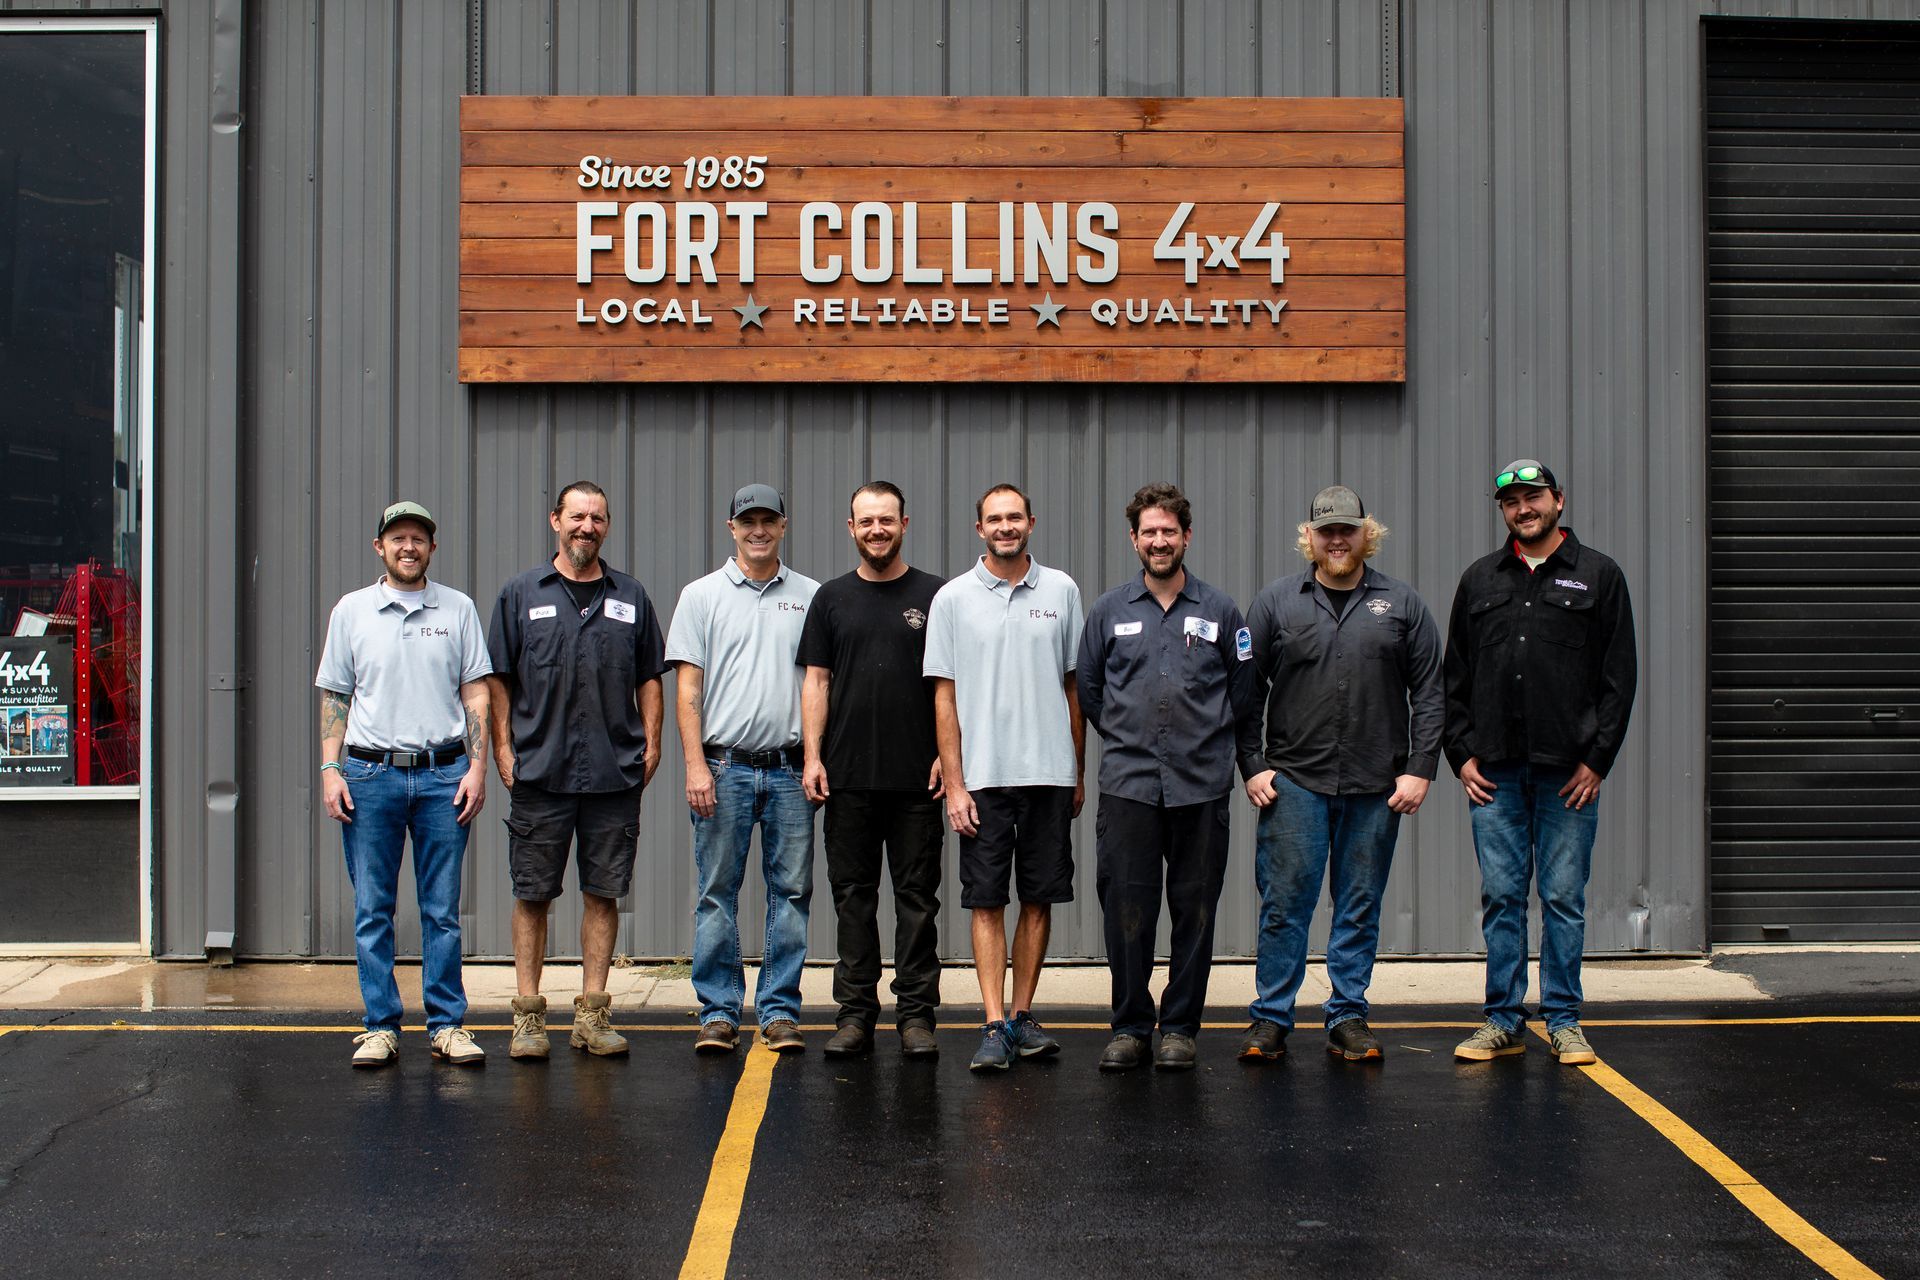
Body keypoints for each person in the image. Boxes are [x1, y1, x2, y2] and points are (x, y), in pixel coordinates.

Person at [1239, 485, 1444, 1064]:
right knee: (1284, 906)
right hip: (1295, 783)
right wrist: (1253, 765)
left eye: (1347, 530)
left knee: (1359, 903)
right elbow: (1245, 694)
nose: (1336, 540)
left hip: (1377, 786)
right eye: (1325, 530)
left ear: (1366, 535)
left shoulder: (1402, 605)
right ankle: (1271, 1019)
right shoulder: (1277, 604)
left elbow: (1430, 692)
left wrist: (1420, 770)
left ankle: (1347, 1016)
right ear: (1309, 536)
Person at [1445, 459, 1637, 1066]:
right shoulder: (1480, 580)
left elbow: (1618, 679)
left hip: (1567, 776)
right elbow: (1455, 677)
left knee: (1562, 898)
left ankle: (1564, 1020)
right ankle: (1502, 1020)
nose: (1522, 509)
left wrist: (1598, 760)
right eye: (1510, 502)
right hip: (1495, 773)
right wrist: (1460, 755)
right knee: (1502, 896)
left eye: (1533, 498)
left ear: (1558, 500)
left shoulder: (1599, 576)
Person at [1078, 483, 1261, 1072]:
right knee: (1126, 913)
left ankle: (1180, 1027)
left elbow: (1243, 694)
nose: (1159, 541)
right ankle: (1130, 1027)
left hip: (1201, 787)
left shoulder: (1221, 611)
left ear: (1186, 535)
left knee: (1195, 910)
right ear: (1134, 539)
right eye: (1148, 532)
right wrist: (1131, 738)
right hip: (1129, 786)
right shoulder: (1108, 611)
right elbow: (1090, 691)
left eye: (1169, 531)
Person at [486, 481, 667, 1061]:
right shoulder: (520, 594)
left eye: (597, 518)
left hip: (614, 774)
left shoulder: (631, 597)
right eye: (577, 516)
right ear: (555, 521)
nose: (586, 527)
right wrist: (503, 750)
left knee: (602, 892)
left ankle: (591, 1014)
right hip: (540, 773)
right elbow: (498, 680)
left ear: (607, 526)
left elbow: (649, 677)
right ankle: (528, 1019)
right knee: (532, 894)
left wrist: (653, 743)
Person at [316, 500, 491, 1068]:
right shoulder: (352, 611)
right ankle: (380, 1026)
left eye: (418, 537)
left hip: (444, 776)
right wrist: (329, 768)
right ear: (380, 548)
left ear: (432, 548)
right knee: (373, 907)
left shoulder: (458, 609)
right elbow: (336, 695)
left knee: (442, 910)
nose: (408, 546)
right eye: (398, 538)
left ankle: (446, 1025)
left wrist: (477, 768)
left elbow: (476, 694)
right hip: (369, 775)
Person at [924, 482, 1085, 1072]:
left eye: (1015, 516)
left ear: (1031, 522)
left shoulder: (1063, 590)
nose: (1006, 526)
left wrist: (1077, 769)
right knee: (987, 900)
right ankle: (993, 1023)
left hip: (1048, 774)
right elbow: (945, 696)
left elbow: (1074, 688)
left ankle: (1022, 1016)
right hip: (984, 779)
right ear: (980, 529)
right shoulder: (953, 599)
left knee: (1039, 898)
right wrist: (958, 783)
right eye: (994, 518)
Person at [668, 483, 821, 1054]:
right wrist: (694, 766)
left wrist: (814, 758)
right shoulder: (701, 596)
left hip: (788, 770)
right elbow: (688, 690)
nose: (758, 530)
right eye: (747, 521)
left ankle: (779, 1010)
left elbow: (818, 685)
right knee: (716, 893)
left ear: (784, 526)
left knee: (791, 893)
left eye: (769, 520)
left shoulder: (810, 596)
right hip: (723, 768)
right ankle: (719, 1012)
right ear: (731, 528)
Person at [799, 481, 946, 1059]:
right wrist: (813, 756)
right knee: (853, 900)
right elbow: (817, 681)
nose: (877, 530)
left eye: (887, 520)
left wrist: (946, 756)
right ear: (851, 527)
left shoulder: (938, 595)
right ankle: (855, 1013)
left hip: (919, 780)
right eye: (866, 522)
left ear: (904, 524)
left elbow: (949, 687)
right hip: (848, 778)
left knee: (917, 902)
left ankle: (916, 1016)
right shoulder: (831, 599)